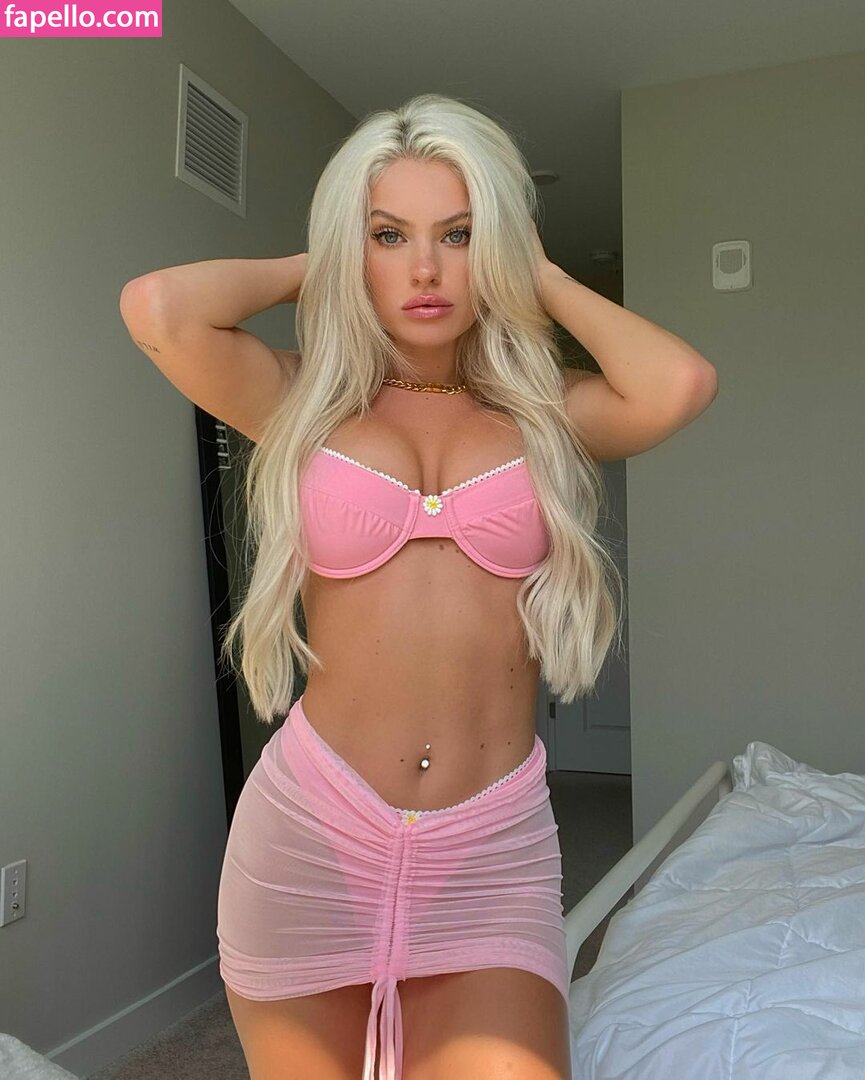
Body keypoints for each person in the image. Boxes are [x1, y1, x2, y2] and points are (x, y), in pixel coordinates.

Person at [119, 92, 717, 1080]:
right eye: (389, 235)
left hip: (489, 846)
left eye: (459, 234)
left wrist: (538, 273)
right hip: (312, 829)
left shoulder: (543, 415)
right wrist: (327, 257)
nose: (426, 268)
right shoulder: (302, 400)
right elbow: (157, 308)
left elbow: (678, 383)